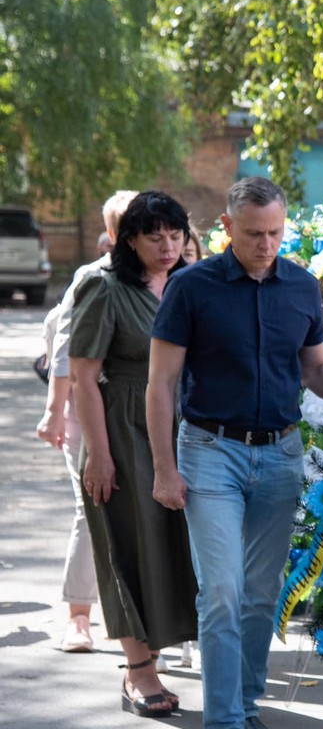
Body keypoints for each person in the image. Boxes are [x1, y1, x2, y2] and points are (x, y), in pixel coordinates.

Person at [147, 177, 323, 729]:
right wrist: (164, 470)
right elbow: (161, 384)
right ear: (226, 227)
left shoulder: (300, 286)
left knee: (261, 595)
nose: (266, 244)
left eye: (275, 233)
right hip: (209, 450)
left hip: (279, 454)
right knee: (221, 592)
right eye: (253, 234)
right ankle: (224, 720)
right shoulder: (190, 287)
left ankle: (243, 704)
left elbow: (315, 368)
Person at [69, 190, 198, 717]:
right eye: (153, 236)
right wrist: (99, 454)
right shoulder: (104, 288)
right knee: (128, 545)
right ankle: (138, 671)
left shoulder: (193, 283)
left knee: (172, 546)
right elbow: (82, 376)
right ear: (129, 240)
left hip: (186, 426)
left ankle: (160, 653)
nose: (167, 246)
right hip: (122, 427)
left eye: (175, 234)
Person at [37, 189, 136, 654]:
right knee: (91, 507)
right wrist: (54, 412)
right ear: (114, 235)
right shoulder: (92, 277)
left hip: (135, 414)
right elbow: (66, 356)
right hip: (84, 410)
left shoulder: (165, 277)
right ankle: (78, 616)